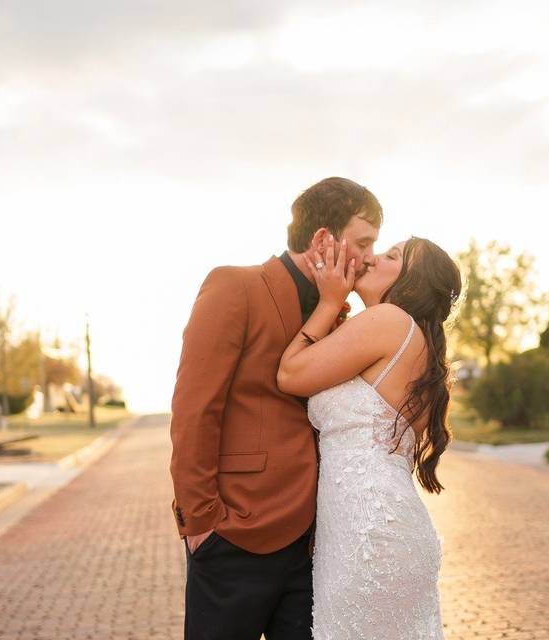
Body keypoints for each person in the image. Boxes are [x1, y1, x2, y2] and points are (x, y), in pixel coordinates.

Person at [170, 177, 383, 639]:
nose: (368, 257)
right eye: (364, 242)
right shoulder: (235, 286)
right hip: (234, 534)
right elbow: (194, 409)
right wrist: (202, 523)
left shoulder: (340, 315)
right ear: (323, 239)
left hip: (313, 547)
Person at [277, 235, 462, 639]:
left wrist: (328, 303)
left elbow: (290, 375)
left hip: (370, 537)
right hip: (369, 529)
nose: (373, 258)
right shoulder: (411, 339)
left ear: (412, 282)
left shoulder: (389, 321)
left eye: (392, 256)